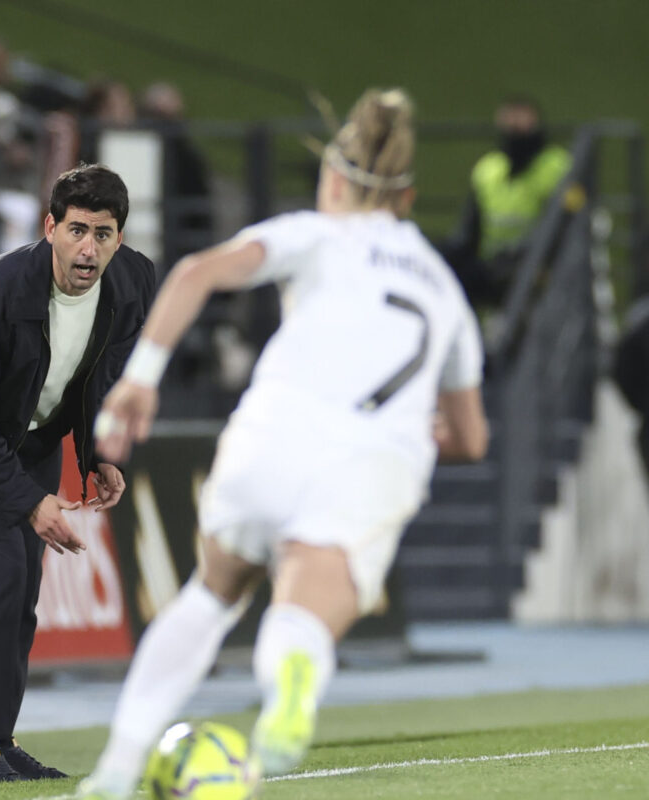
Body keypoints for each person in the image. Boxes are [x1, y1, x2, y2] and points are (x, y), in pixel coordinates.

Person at [79, 88, 489, 798]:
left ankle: (115, 771)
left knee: (210, 595)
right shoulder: (445, 291)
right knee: (303, 614)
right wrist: (418, 438)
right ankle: (293, 674)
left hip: (276, 430)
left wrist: (140, 380)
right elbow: (472, 437)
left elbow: (197, 271)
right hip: (372, 461)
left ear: (333, 179)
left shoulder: (318, 233)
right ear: (409, 199)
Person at [0, 164, 156, 785]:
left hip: (37, 428)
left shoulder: (134, 282)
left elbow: (101, 377)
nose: (88, 248)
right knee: (5, 569)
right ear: (50, 227)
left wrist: (98, 455)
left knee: (24, 583)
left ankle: (1, 740)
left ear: (120, 239)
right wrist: (28, 499)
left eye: (103, 234)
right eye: (76, 230)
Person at [441, 95, 571, 307]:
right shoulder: (488, 170)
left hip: (540, 268)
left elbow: (565, 229)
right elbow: (467, 233)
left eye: (521, 123)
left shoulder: (556, 167)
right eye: (510, 123)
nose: (515, 129)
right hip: (494, 267)